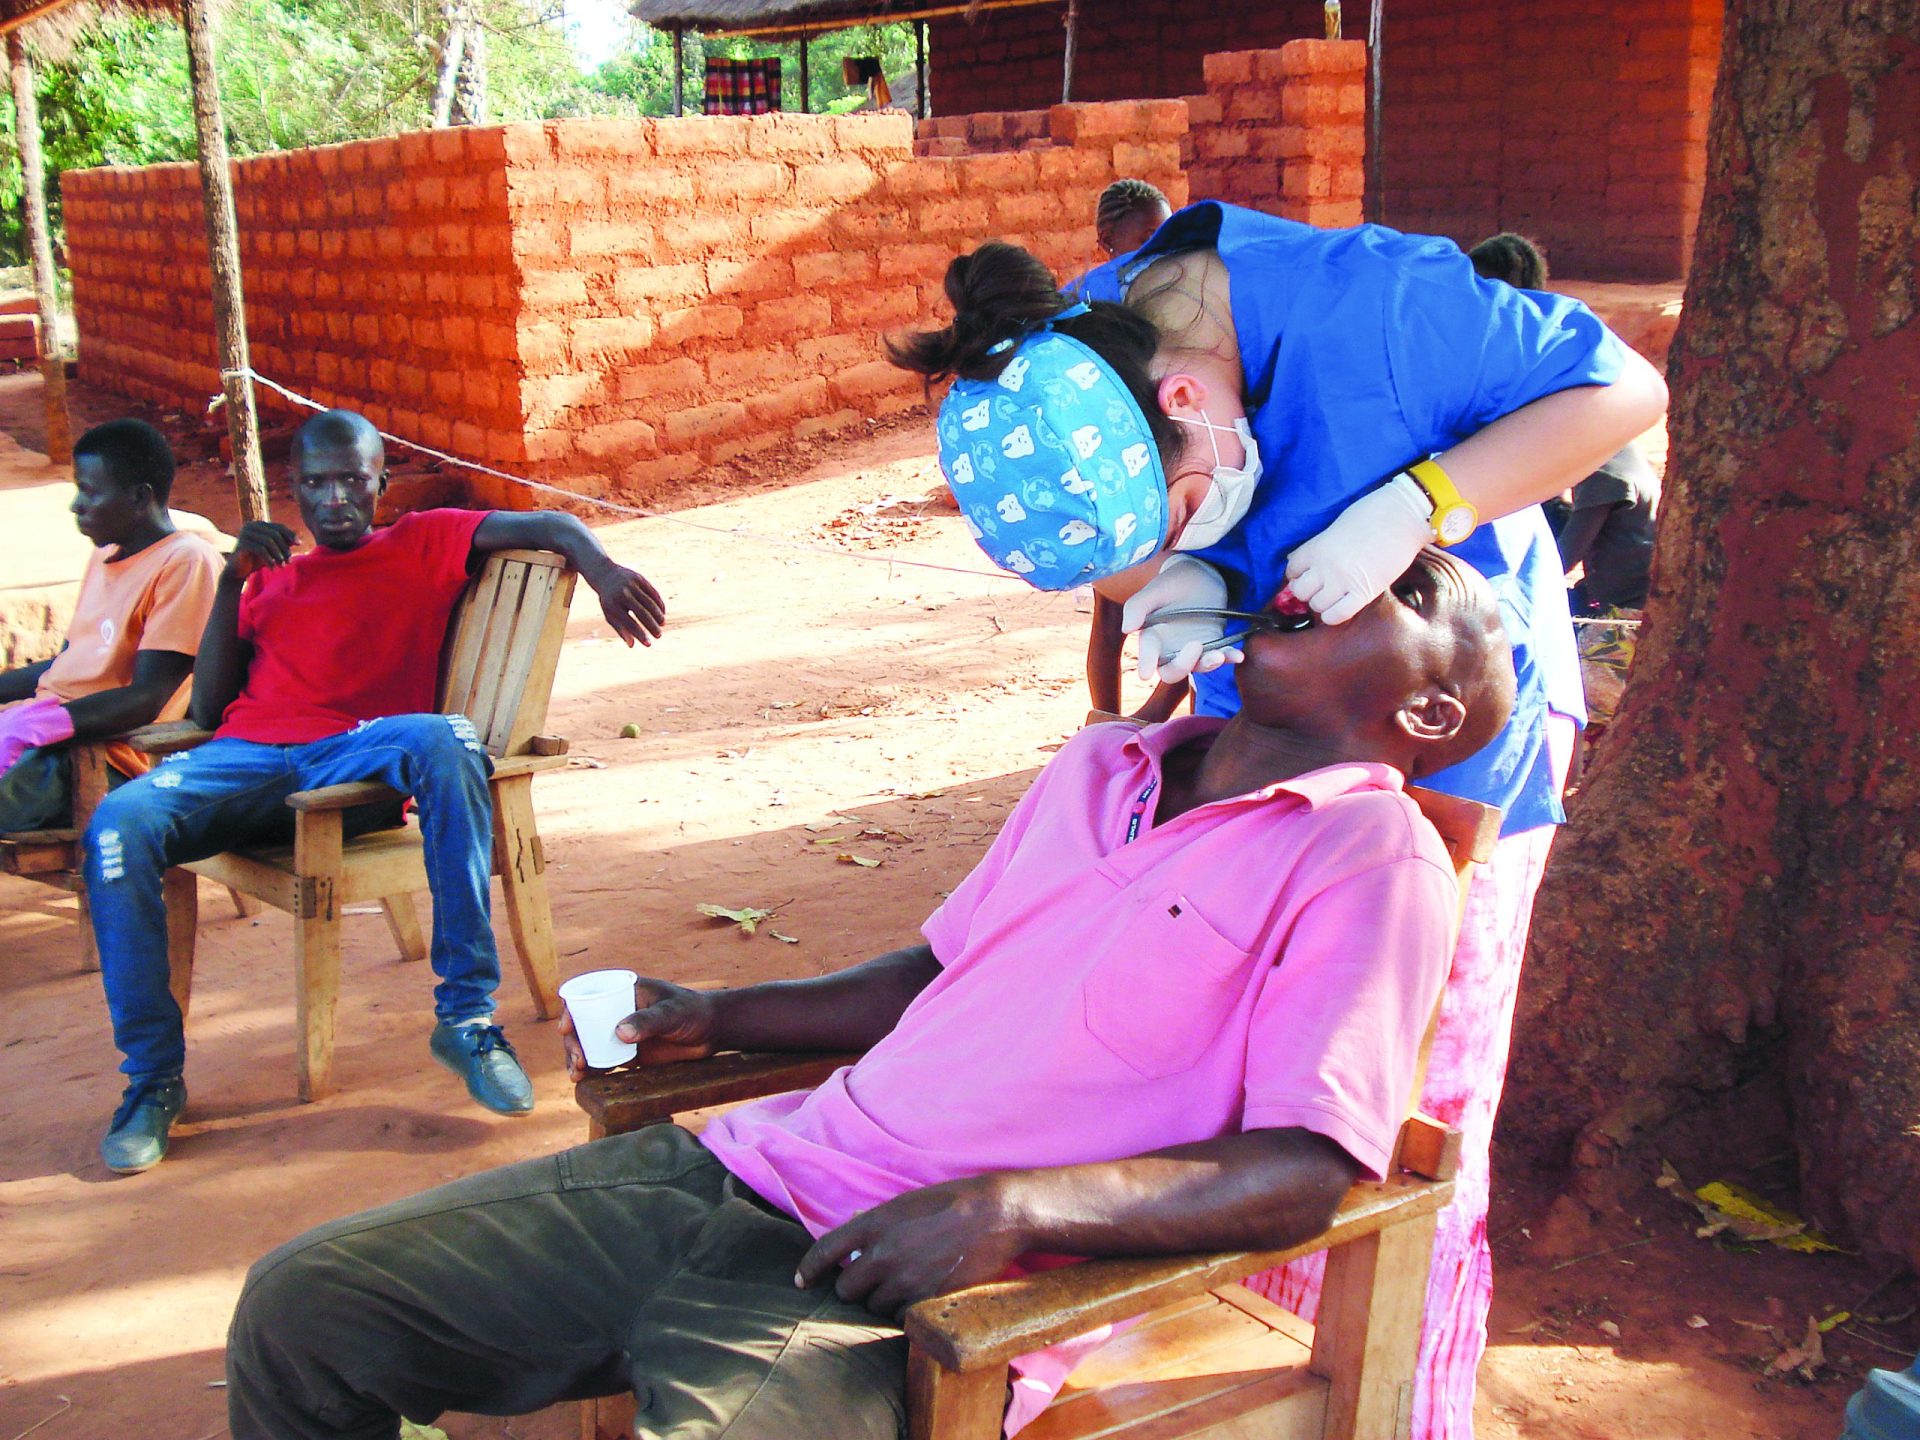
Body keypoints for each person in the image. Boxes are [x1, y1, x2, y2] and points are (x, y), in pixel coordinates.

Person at [223, 546, 1515, 1440]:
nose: (1335, 572)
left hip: (899, 1280)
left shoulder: (1369, 855)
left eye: (1401, 585)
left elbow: (1302, 1166)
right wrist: (719, 1016)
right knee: (302, 1310)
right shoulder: (1106, 765)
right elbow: (938, 978)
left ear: (1432, 702)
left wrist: (1013, 1209)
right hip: (741, 1171)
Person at [890, 208, 1668, 1439]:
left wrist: (1421, 504)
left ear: (1193, 392)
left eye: (1185, 507)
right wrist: (1175, 581)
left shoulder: (1386, 311)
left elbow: (1623, 392)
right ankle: (1206, 1337)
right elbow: (1118, 556)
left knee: (1399, 1076)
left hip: (1452, 722)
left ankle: (1396, 1393)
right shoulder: (1071, 349)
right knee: (1225, 1035)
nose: (1192, 532)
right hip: (1258, 724)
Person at [84, 409, 667, 1174]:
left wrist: (603, 569)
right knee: (118, 827)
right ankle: (152, 1081)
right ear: (294, 489)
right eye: (316, 484)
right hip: (249, 760)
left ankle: (464, 1017)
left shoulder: (422, 539)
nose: (334, 500)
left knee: (445, 736)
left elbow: (553, 523)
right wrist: (232, 579)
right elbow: (205, 708)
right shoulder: (272, 579)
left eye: (351, 481)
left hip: (358, 753)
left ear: (379, 483)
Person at [1468, 231, 1659, 738]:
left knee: (1557, 678)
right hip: (1611, 595)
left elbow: (1562, 559)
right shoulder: (1554, 334)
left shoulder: (1604, 465)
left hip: (1623, 613)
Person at [0, 418, 221, 831]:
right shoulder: (103, 557)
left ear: (140, 498)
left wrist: (45, 725)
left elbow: (149, 696)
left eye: (89, 490)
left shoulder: (186, 562)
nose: (75, 505)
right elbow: (63, 668)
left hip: (100, 758)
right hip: (49, 739)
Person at [1069, 178, 1174, 307]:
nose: (1163, 249)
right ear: (1108, 240)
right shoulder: (1083, 302)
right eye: (1149, 241)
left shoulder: (1176, 288)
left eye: (1169, 238)